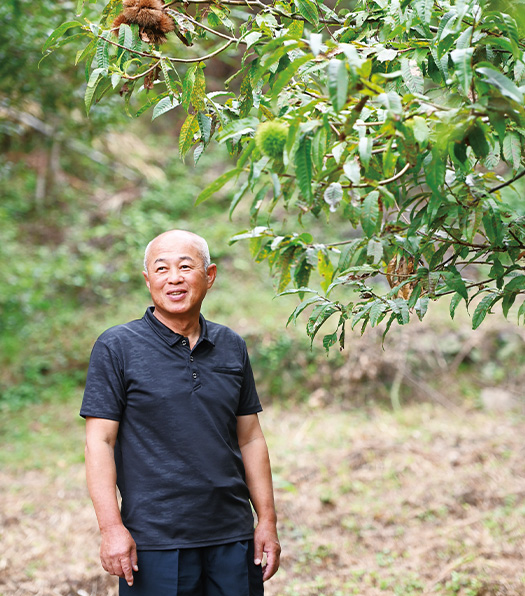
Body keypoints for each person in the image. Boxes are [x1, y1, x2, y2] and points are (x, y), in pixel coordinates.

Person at [80, 229, 280, 595]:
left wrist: (266, 520)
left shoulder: (231, 345)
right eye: (161, 268)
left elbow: (250, 438)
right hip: (155, 541)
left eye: (186, 266)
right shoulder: (117, 347)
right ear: (148, 280)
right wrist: (111, 529)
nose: (174, 278)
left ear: (210, 275)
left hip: (232, 537)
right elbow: (100, 442)